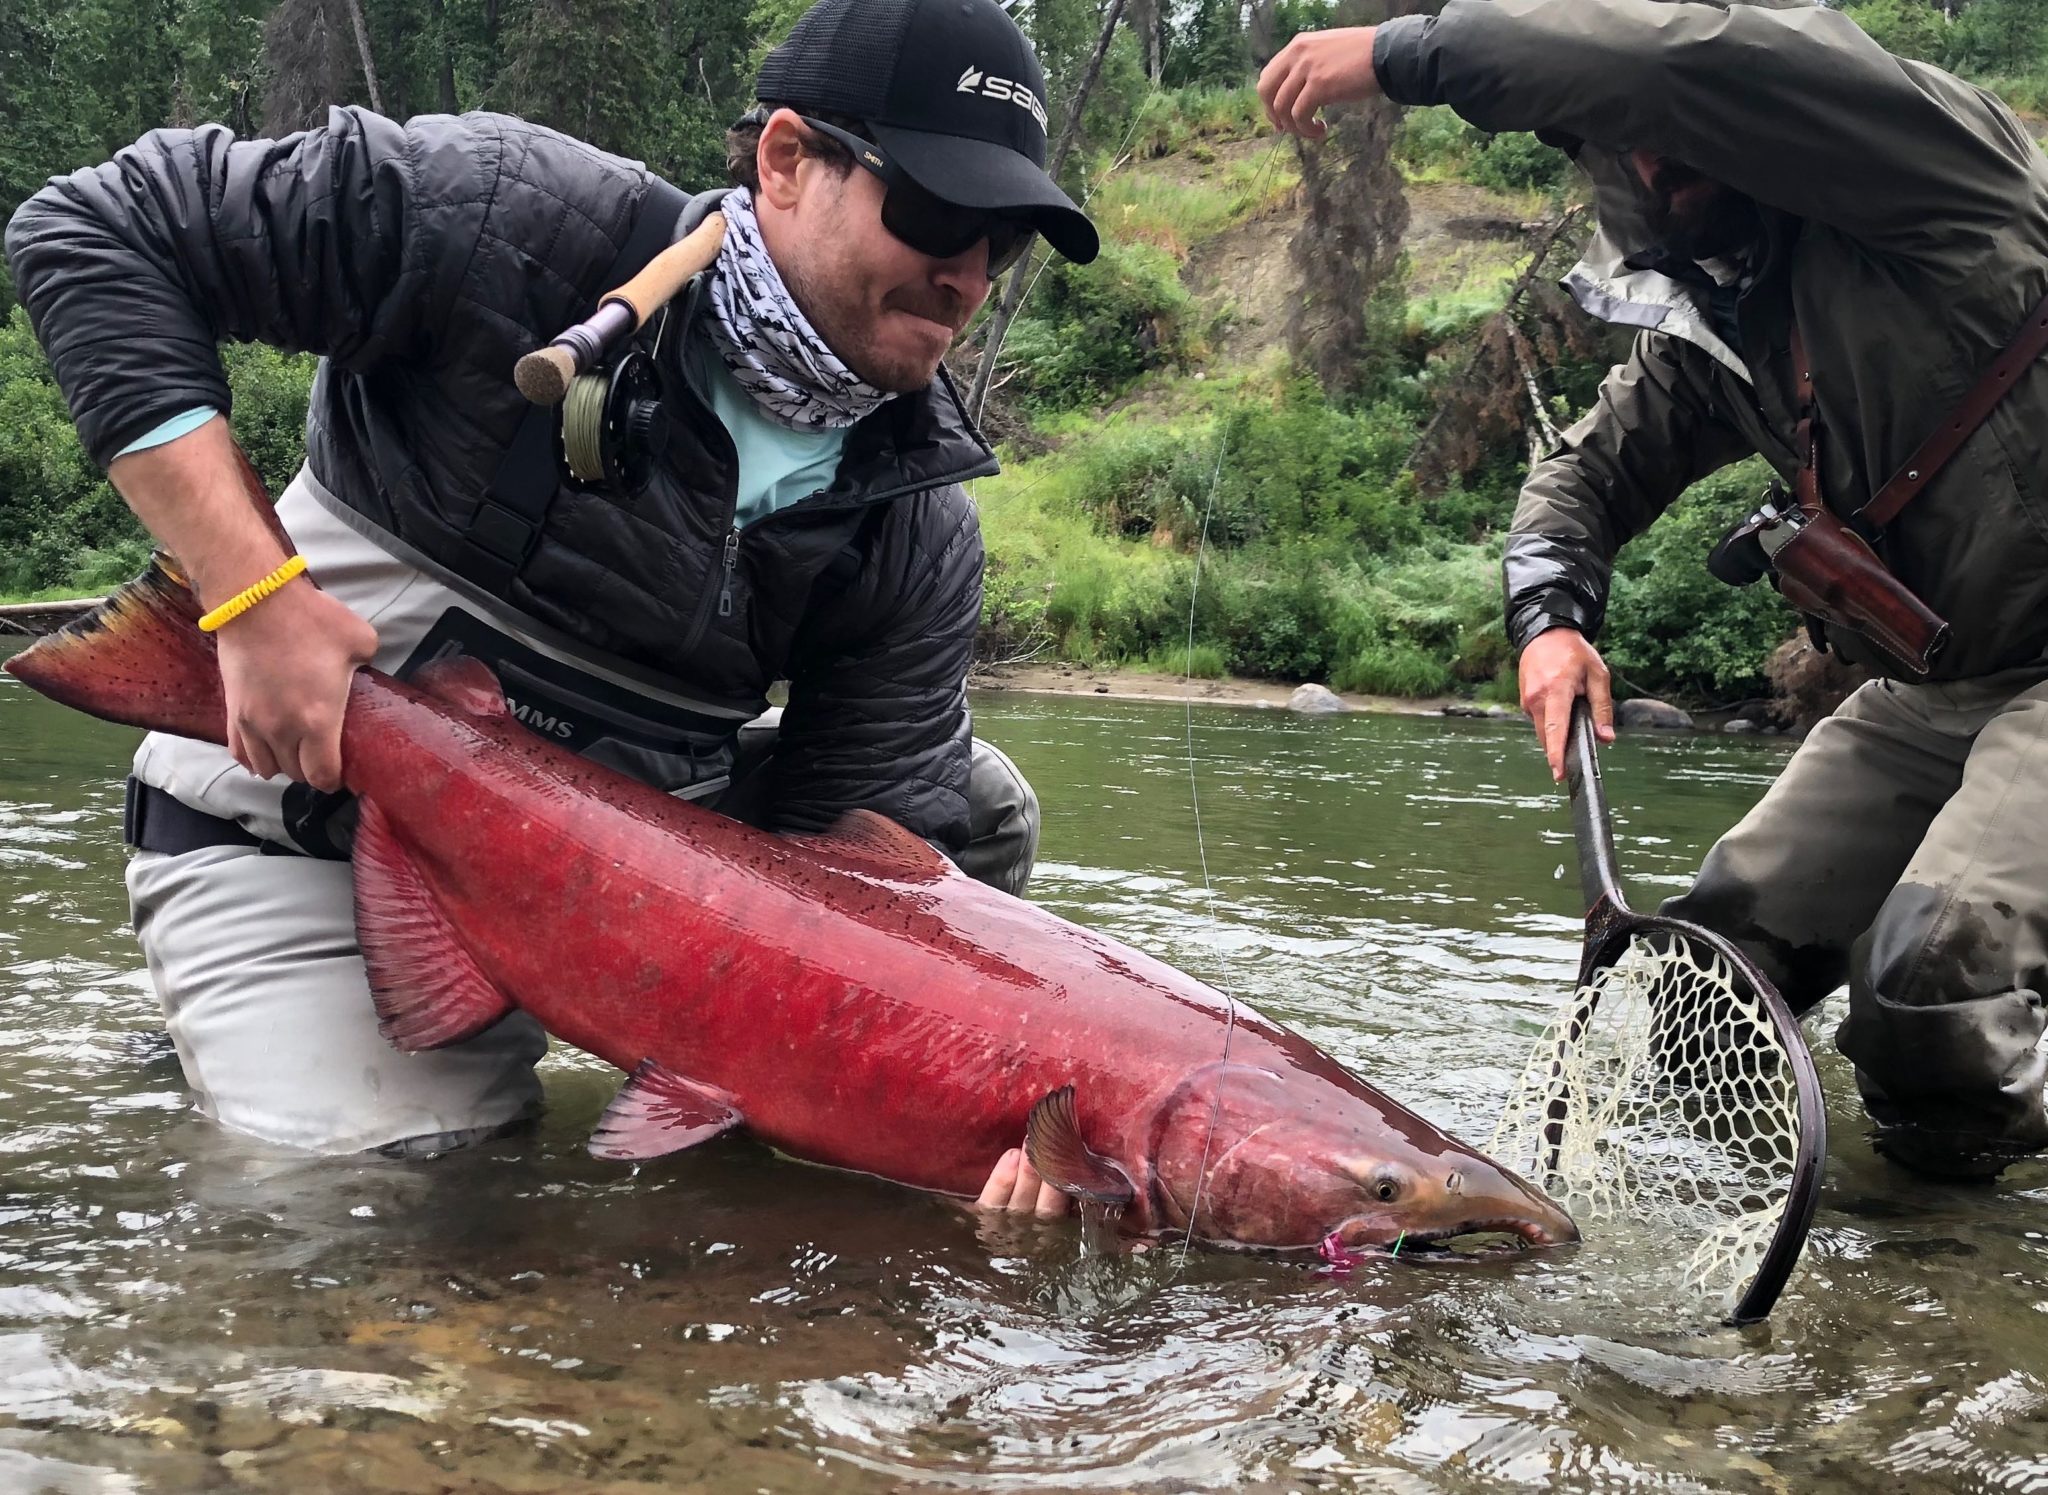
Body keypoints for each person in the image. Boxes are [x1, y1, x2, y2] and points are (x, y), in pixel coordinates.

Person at [5, 0, 1091, 1206]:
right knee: (389, 1210)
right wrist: (250, 593)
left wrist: (950, 1137)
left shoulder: (915, 517)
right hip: (300, 830)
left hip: (630, 900)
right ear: (785, 160)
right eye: (938, 211)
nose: (968, 272)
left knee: (965, 819)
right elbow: (94, 228)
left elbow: (858, 881)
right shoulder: (507, 220)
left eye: (1005, 240)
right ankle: (241, 1019)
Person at [1260, 0, 2048, 1178]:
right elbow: (1580, 473)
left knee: (1931, 985)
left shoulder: (1927, 166)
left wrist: (1401, 52)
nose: (1645, 160)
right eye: (1608, 141)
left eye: (1649, 122)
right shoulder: (1714, 322)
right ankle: (1849, 1250)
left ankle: (1959, 1269)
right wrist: (1550, 621)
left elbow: (1680, 60)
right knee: (1696, 994)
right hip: (1939, 686)